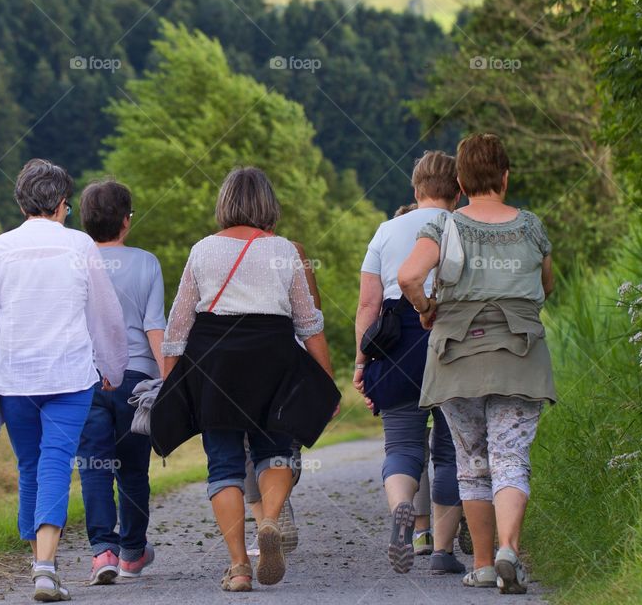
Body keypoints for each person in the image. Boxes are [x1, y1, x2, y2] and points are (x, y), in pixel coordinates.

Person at [151, 167, 339, 593]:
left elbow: (177, 327)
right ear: (268, 205)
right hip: (272, 356)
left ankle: (238, 567)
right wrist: (325, 381)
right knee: (275, 448)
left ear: (225, 204)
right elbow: (308, 323)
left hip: (214, 361)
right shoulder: (285, 251)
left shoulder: (202, 250)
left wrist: (171, 387)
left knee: (223, 465)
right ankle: (269, 519)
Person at [0, 159, 128, 602]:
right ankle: (46, 568)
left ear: (23, 201)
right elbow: (105, 316)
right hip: (69, 375)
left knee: (30, 467)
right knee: (54, 464)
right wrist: (112, 367)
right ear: (61, 204)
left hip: (14, 379)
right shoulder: (80, 246)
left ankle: (41, 566)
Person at [398, 133, 556, 594]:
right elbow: (545, 285)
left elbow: (408, 275)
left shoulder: (445, 227)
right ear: (506, 178)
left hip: (457, 356)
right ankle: (509, 548)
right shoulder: (530, 226)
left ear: (461, 183)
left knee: (472, 463)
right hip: (519, 356)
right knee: (511, 458)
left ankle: (484, 564)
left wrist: (426, 306)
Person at [354, 151, 464, 575]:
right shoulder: (463, 228)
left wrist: (362, 363)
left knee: (401, 446)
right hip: (453, 340)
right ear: (458, 191)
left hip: (397, 343)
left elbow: (368, 304)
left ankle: (402, 508)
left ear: (416, 190)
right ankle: (442, 552)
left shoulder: (385, 230)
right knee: (452, 452)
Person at [75, 180, 164, 585]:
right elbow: (154, 327)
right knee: (133, 470)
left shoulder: (74, 260)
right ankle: (132, 551)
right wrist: (169, 379)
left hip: (86, 377)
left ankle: (102, 552)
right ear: (127, 221)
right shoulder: (147, 262)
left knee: (94, 465)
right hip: (137, 380)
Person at [244, 241, 319, 557]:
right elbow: (312, 311)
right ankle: (280, 500)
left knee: (249, 446)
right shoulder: (295, 251)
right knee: (286, 442)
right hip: (289, 358)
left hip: (242, 358)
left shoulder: (218, 250)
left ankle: (268, 520)